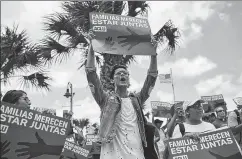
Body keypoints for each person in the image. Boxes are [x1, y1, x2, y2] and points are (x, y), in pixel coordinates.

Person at [85, 40, 158, 159]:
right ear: (113, 80)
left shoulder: (137, 100)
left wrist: (154, 55)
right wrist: (91, 48)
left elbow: (151, 78)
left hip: (136, 154)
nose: (122, 75)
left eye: (125, 73)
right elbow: (91, 73)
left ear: (128, 79)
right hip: (111, 154)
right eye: (118, 74)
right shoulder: (105, 99)